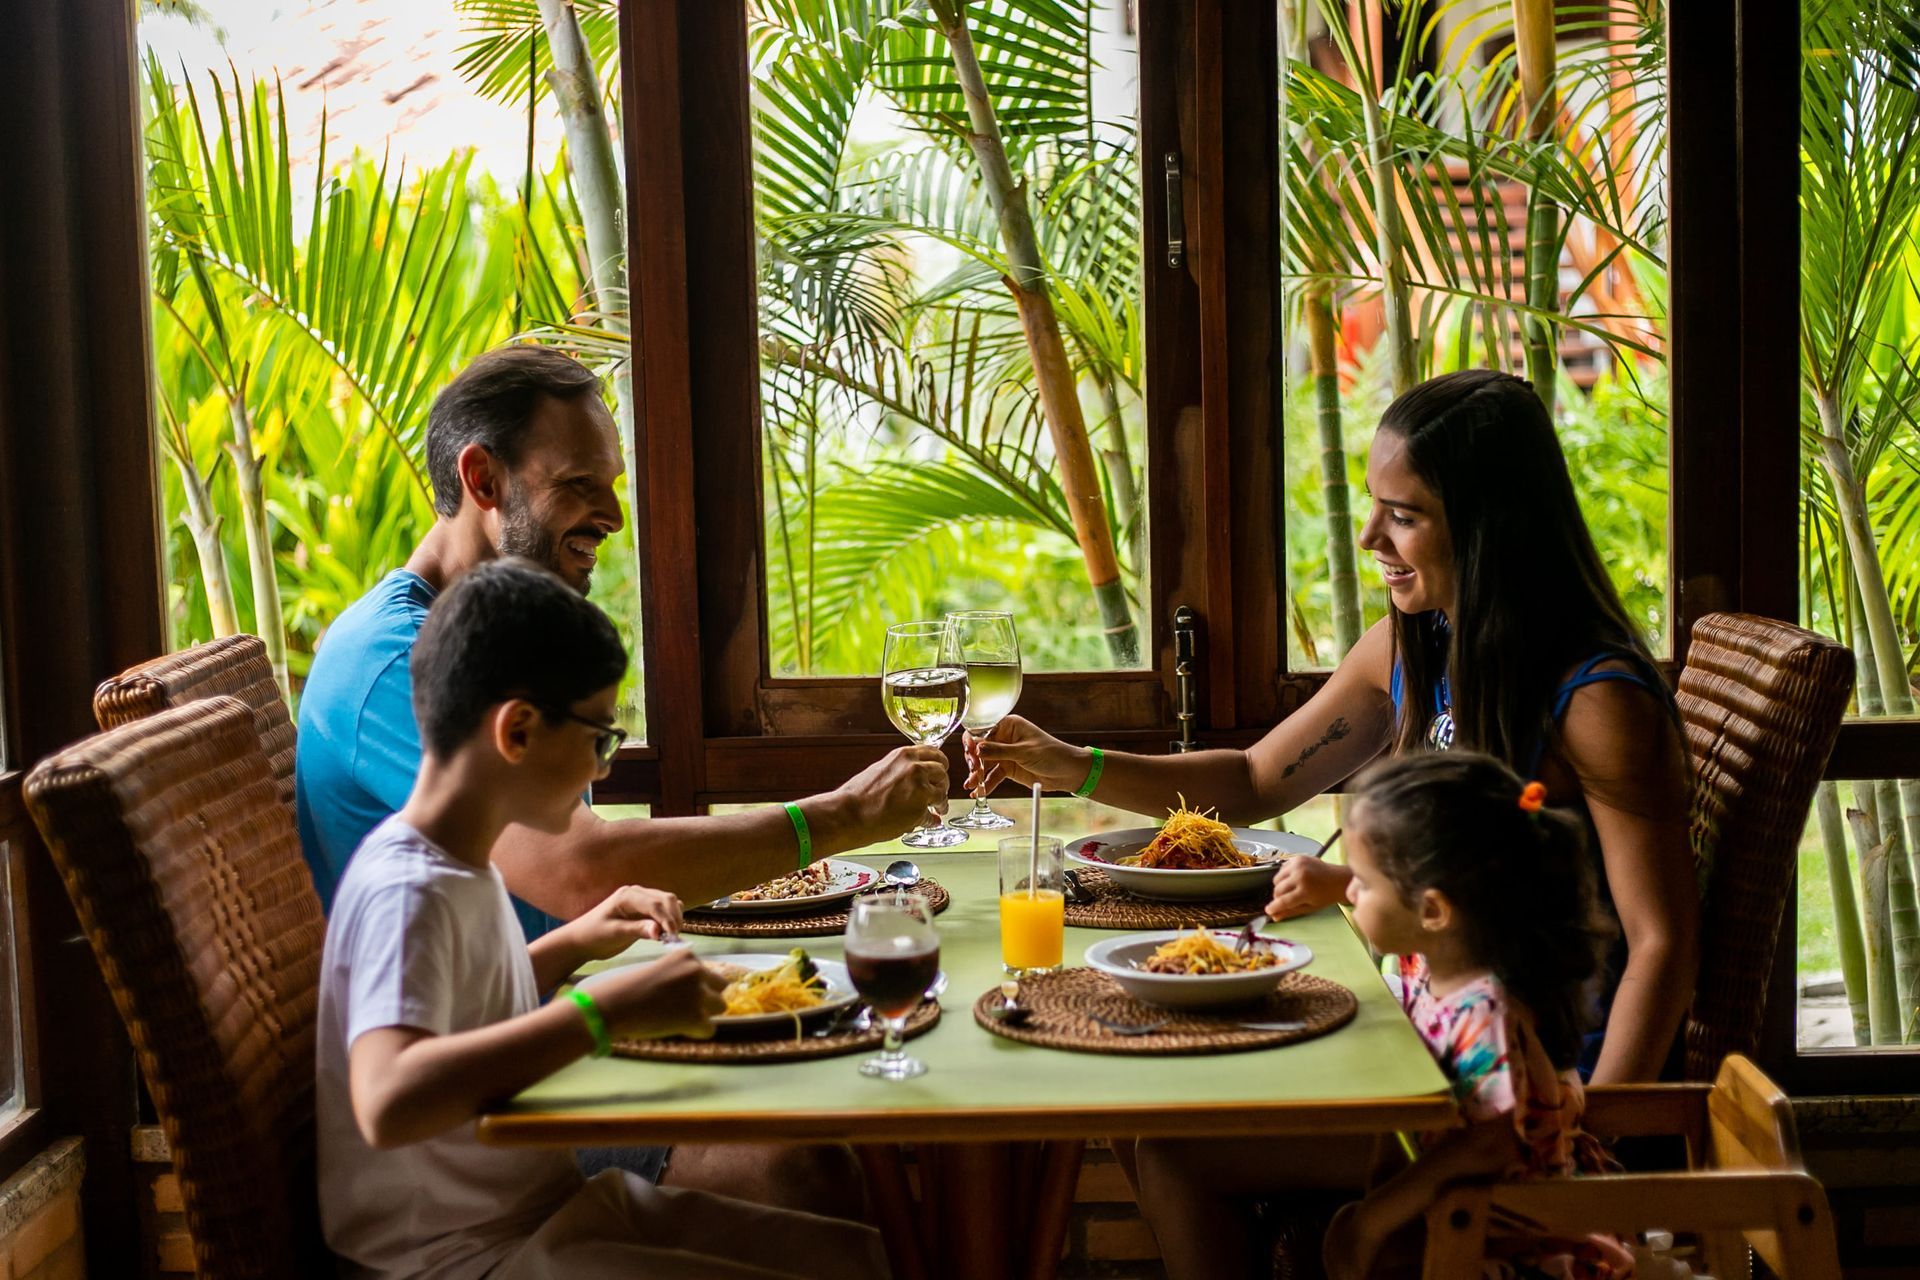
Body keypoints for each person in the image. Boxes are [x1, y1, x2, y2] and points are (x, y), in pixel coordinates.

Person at [966, 369, 1697, 1085]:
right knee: (1145, 1081)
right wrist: (1076, 766)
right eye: (1376, 506)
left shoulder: (1596, 703)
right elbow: (1255, 780)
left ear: (1490, 529)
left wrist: (1599, 1140)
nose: (1370, 534)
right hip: (1431, 1037)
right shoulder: (1410, 646)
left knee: (1165, 1129)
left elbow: (1660, 944)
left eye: (1404, 516)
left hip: (1534, 1087)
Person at [317, 559, 891, 1280]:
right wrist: (600, 1012)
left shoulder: (460, 859)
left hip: (534, 1213)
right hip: (454, 1257)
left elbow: (461, 1004)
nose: (603, 772)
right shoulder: (408, 887)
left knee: (847, 1256)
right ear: (518, 731)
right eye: (598, 738)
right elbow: (387, 1098)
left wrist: (577, 942)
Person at [295, 343, 948, 941]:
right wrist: (842, 817)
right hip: (482, 1055)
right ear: (484, 481)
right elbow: (578, 870)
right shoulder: (392, 660)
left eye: (611, 484)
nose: (611, 516)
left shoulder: (497, 641)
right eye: (580, 484)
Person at [1139, 753, 1634, 1280]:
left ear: (1434, 911)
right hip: (1462, 1203)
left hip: (1509, 1240)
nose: (1348, 890)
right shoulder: (1437, 963)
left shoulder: (1485, 1007)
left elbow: (1491, 1140)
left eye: (1365, 884)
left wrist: (1375, 1218)